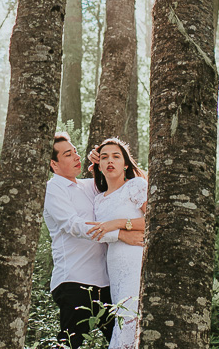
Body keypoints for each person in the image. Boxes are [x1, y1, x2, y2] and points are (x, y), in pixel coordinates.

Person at [43, 132, 145, 349]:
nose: (76, 157)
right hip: (74, 281)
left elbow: (124, 185)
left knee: (125, 338)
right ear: (54, 163)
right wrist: (119, 234)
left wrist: (105, 161)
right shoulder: (54, 189)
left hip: (106, 284)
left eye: (76, 152)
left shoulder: (87, 187)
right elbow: (73, 225)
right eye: (68, 155)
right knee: (70, 343)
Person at [85, 138, 148, 349]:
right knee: (121, 314)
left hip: (136, 259)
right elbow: (97, 232)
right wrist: (117, 232)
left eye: (116, 156)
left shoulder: (136, 185)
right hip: (114, 264)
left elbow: (156, 220)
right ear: (98, 165)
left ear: (126, 164)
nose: (110, 161)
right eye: (104, 157)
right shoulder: (98, 199)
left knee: (132, 316)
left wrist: (119, 223)